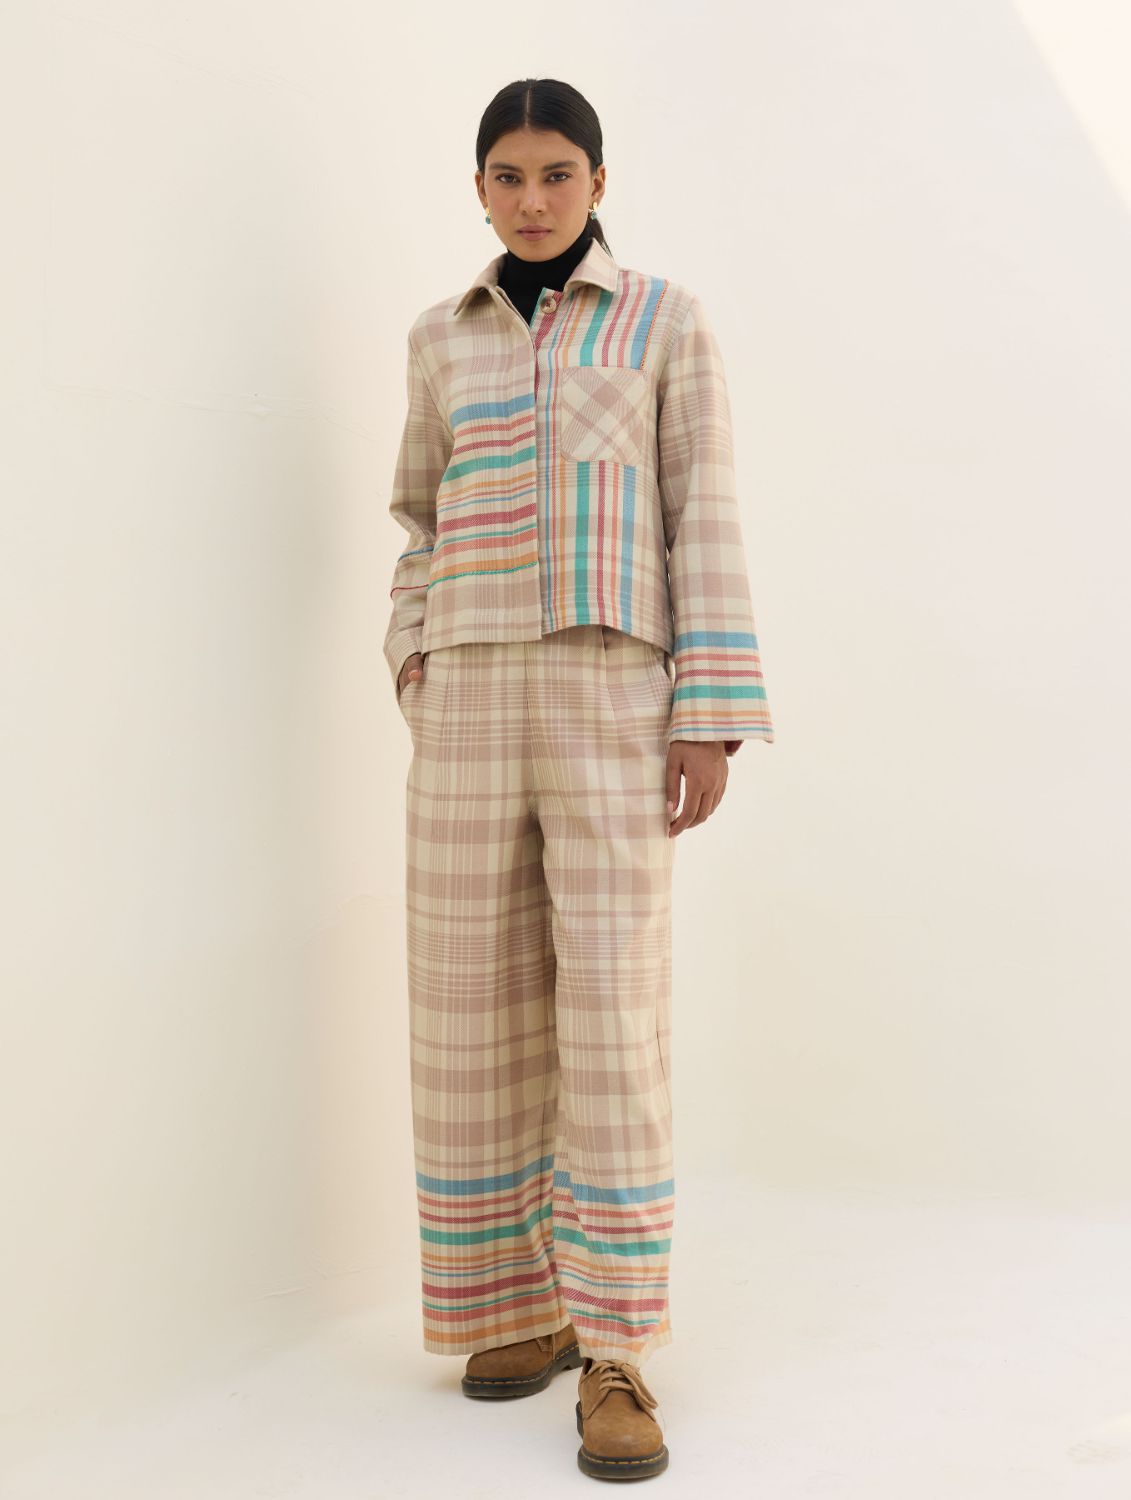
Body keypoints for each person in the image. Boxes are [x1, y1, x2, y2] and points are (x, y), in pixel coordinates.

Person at [382, 77, 775, 1481]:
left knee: (610, 1012)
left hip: (613, 690)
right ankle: (516, 1307)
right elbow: (419, 517)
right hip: (469, 697)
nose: (533, 197)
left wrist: (708, 713)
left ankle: (616, 1348)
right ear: (480, 188)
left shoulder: (663, 320)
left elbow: (702, 508)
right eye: (509, 174)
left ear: (598, 182)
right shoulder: (441, 336)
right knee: (469, 1005)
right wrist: (414, 655)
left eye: (558, 173)